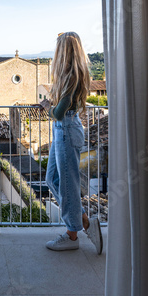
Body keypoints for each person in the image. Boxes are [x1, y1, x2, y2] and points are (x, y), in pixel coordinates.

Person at [40, 32, 103, 254]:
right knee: (52, 179)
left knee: (68, 185)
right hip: (63, 130)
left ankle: (72, 234)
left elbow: (58, 113)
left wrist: (47, 106)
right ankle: (83, 221)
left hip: (66, 129)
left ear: (64, 51)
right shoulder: (69, 76)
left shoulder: (73, 77)